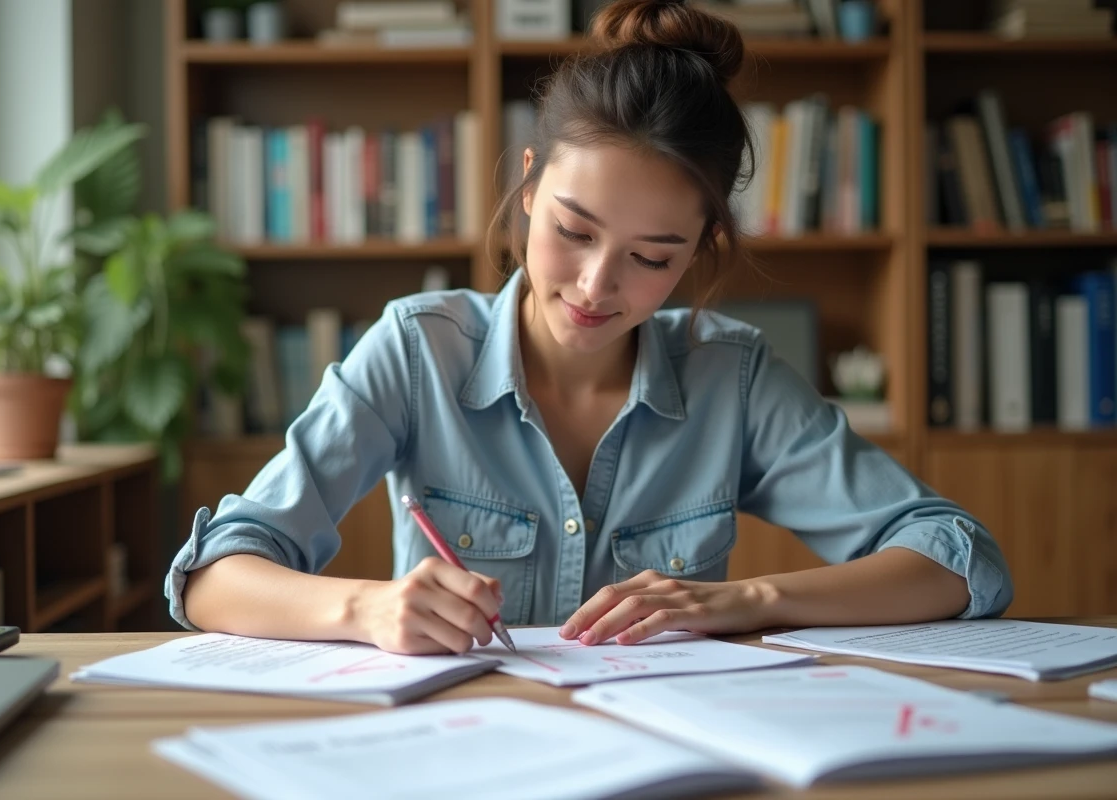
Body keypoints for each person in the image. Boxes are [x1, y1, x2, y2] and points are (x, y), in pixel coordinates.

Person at [168, 0, 1012, 655]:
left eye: (651, 256)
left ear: (699, 250)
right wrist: (367, 608)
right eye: (573, 231)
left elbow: (957, 556)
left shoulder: (732, 375)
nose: (595, 285)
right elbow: (213, 575)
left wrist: (749, 600)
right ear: (530, 184)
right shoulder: (420, 348)